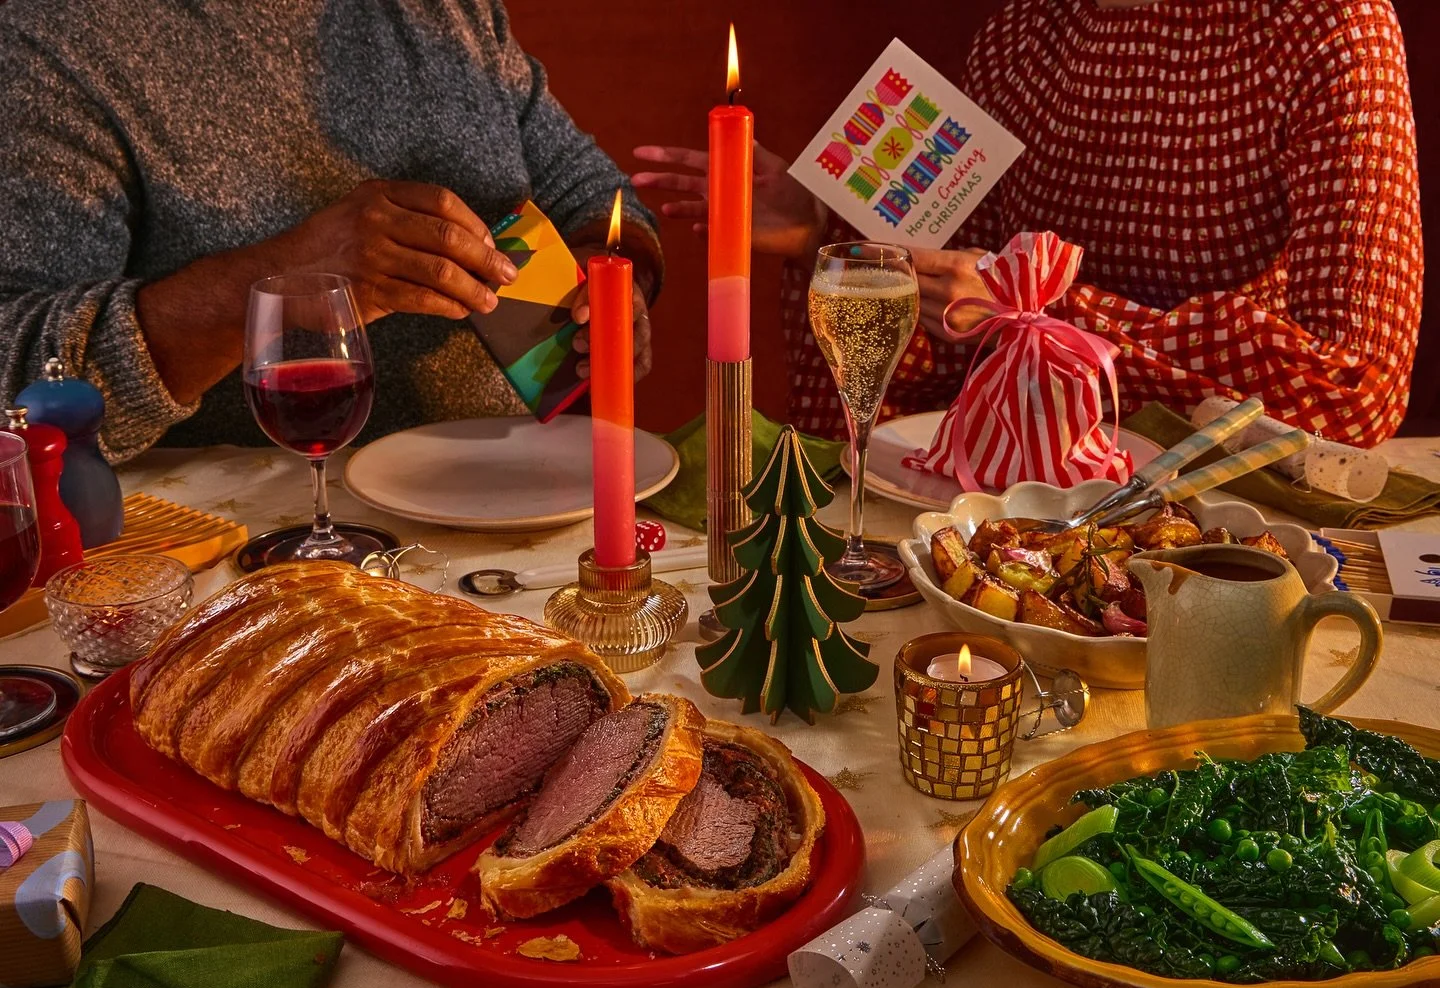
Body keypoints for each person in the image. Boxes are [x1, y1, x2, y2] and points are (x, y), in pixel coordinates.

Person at [635, 0, 1422, 448]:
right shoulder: (1026, 31)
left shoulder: (1327, 28)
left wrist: (1041, 316)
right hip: (1023, 492)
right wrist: (832, 232)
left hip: (1232, 507)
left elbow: (1358, 386)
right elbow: (954, 311)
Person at [0, 0, 661, 462]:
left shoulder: (445, 11)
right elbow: (17, 385)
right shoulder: (57, 38)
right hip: (252, 554)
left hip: (506, 510)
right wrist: (279, 287)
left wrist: (607, 281)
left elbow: (592, 192)